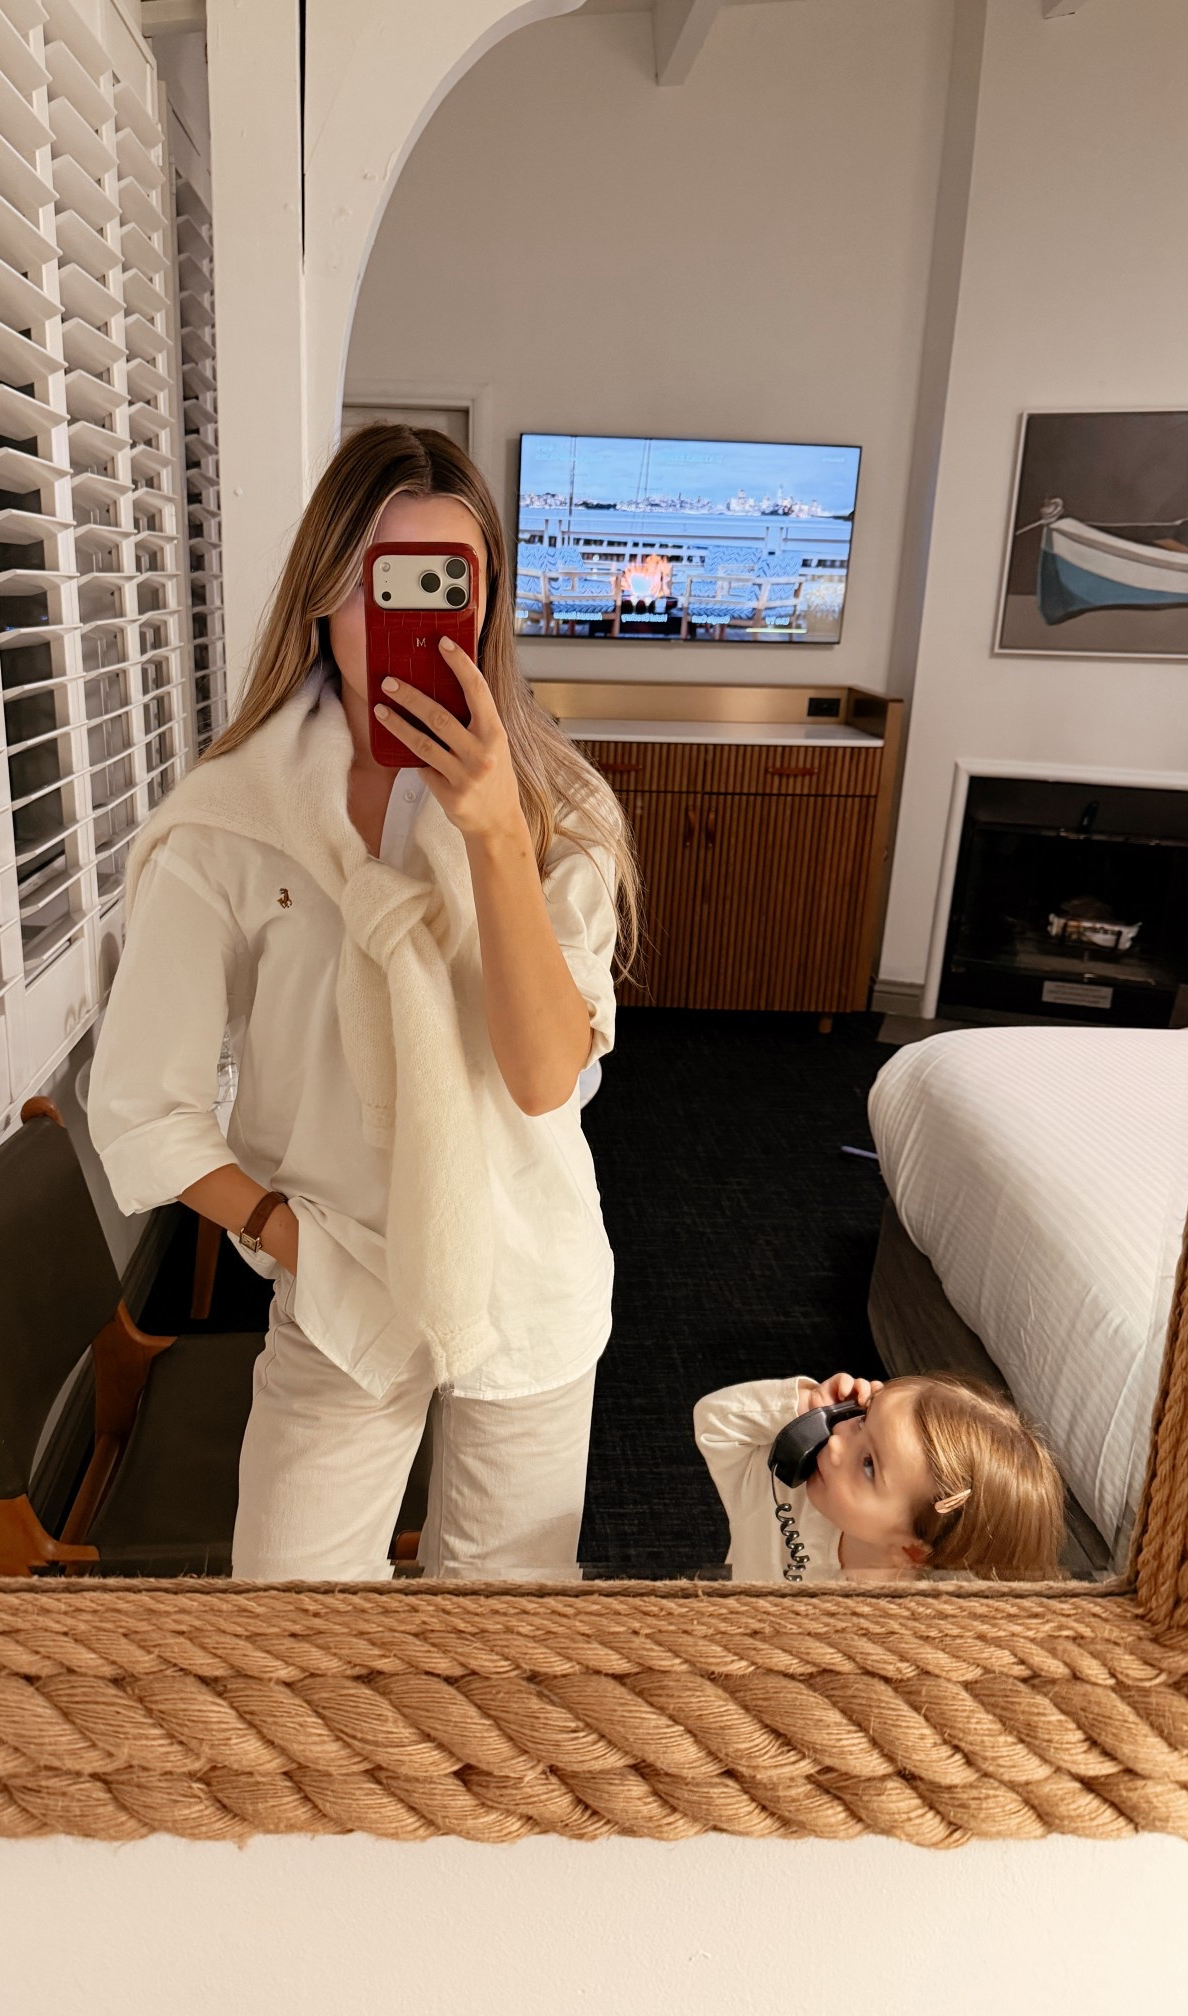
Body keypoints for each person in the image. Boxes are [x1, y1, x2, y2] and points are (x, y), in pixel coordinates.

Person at [88, 423, 639, 1581]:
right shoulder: (232, 823)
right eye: (381, 579)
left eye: (450, 581)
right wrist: (286, 1234)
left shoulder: (560, 811)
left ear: (488, 603)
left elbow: (545, 1077)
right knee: (294, 1629)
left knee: (503, 1642)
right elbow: (144, 1102)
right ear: (323, 589)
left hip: (528, 1266)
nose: (414, 614)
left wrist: (494, 834)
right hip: (339, 1282)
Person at [693, 1369, 1066, 1583]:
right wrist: (804, 1407)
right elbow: (716, 1424)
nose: (835, 1444)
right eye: (861, 1418)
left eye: (869, 1465)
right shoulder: (783, 1488)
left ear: (911, 1550)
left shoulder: (903, 1623)